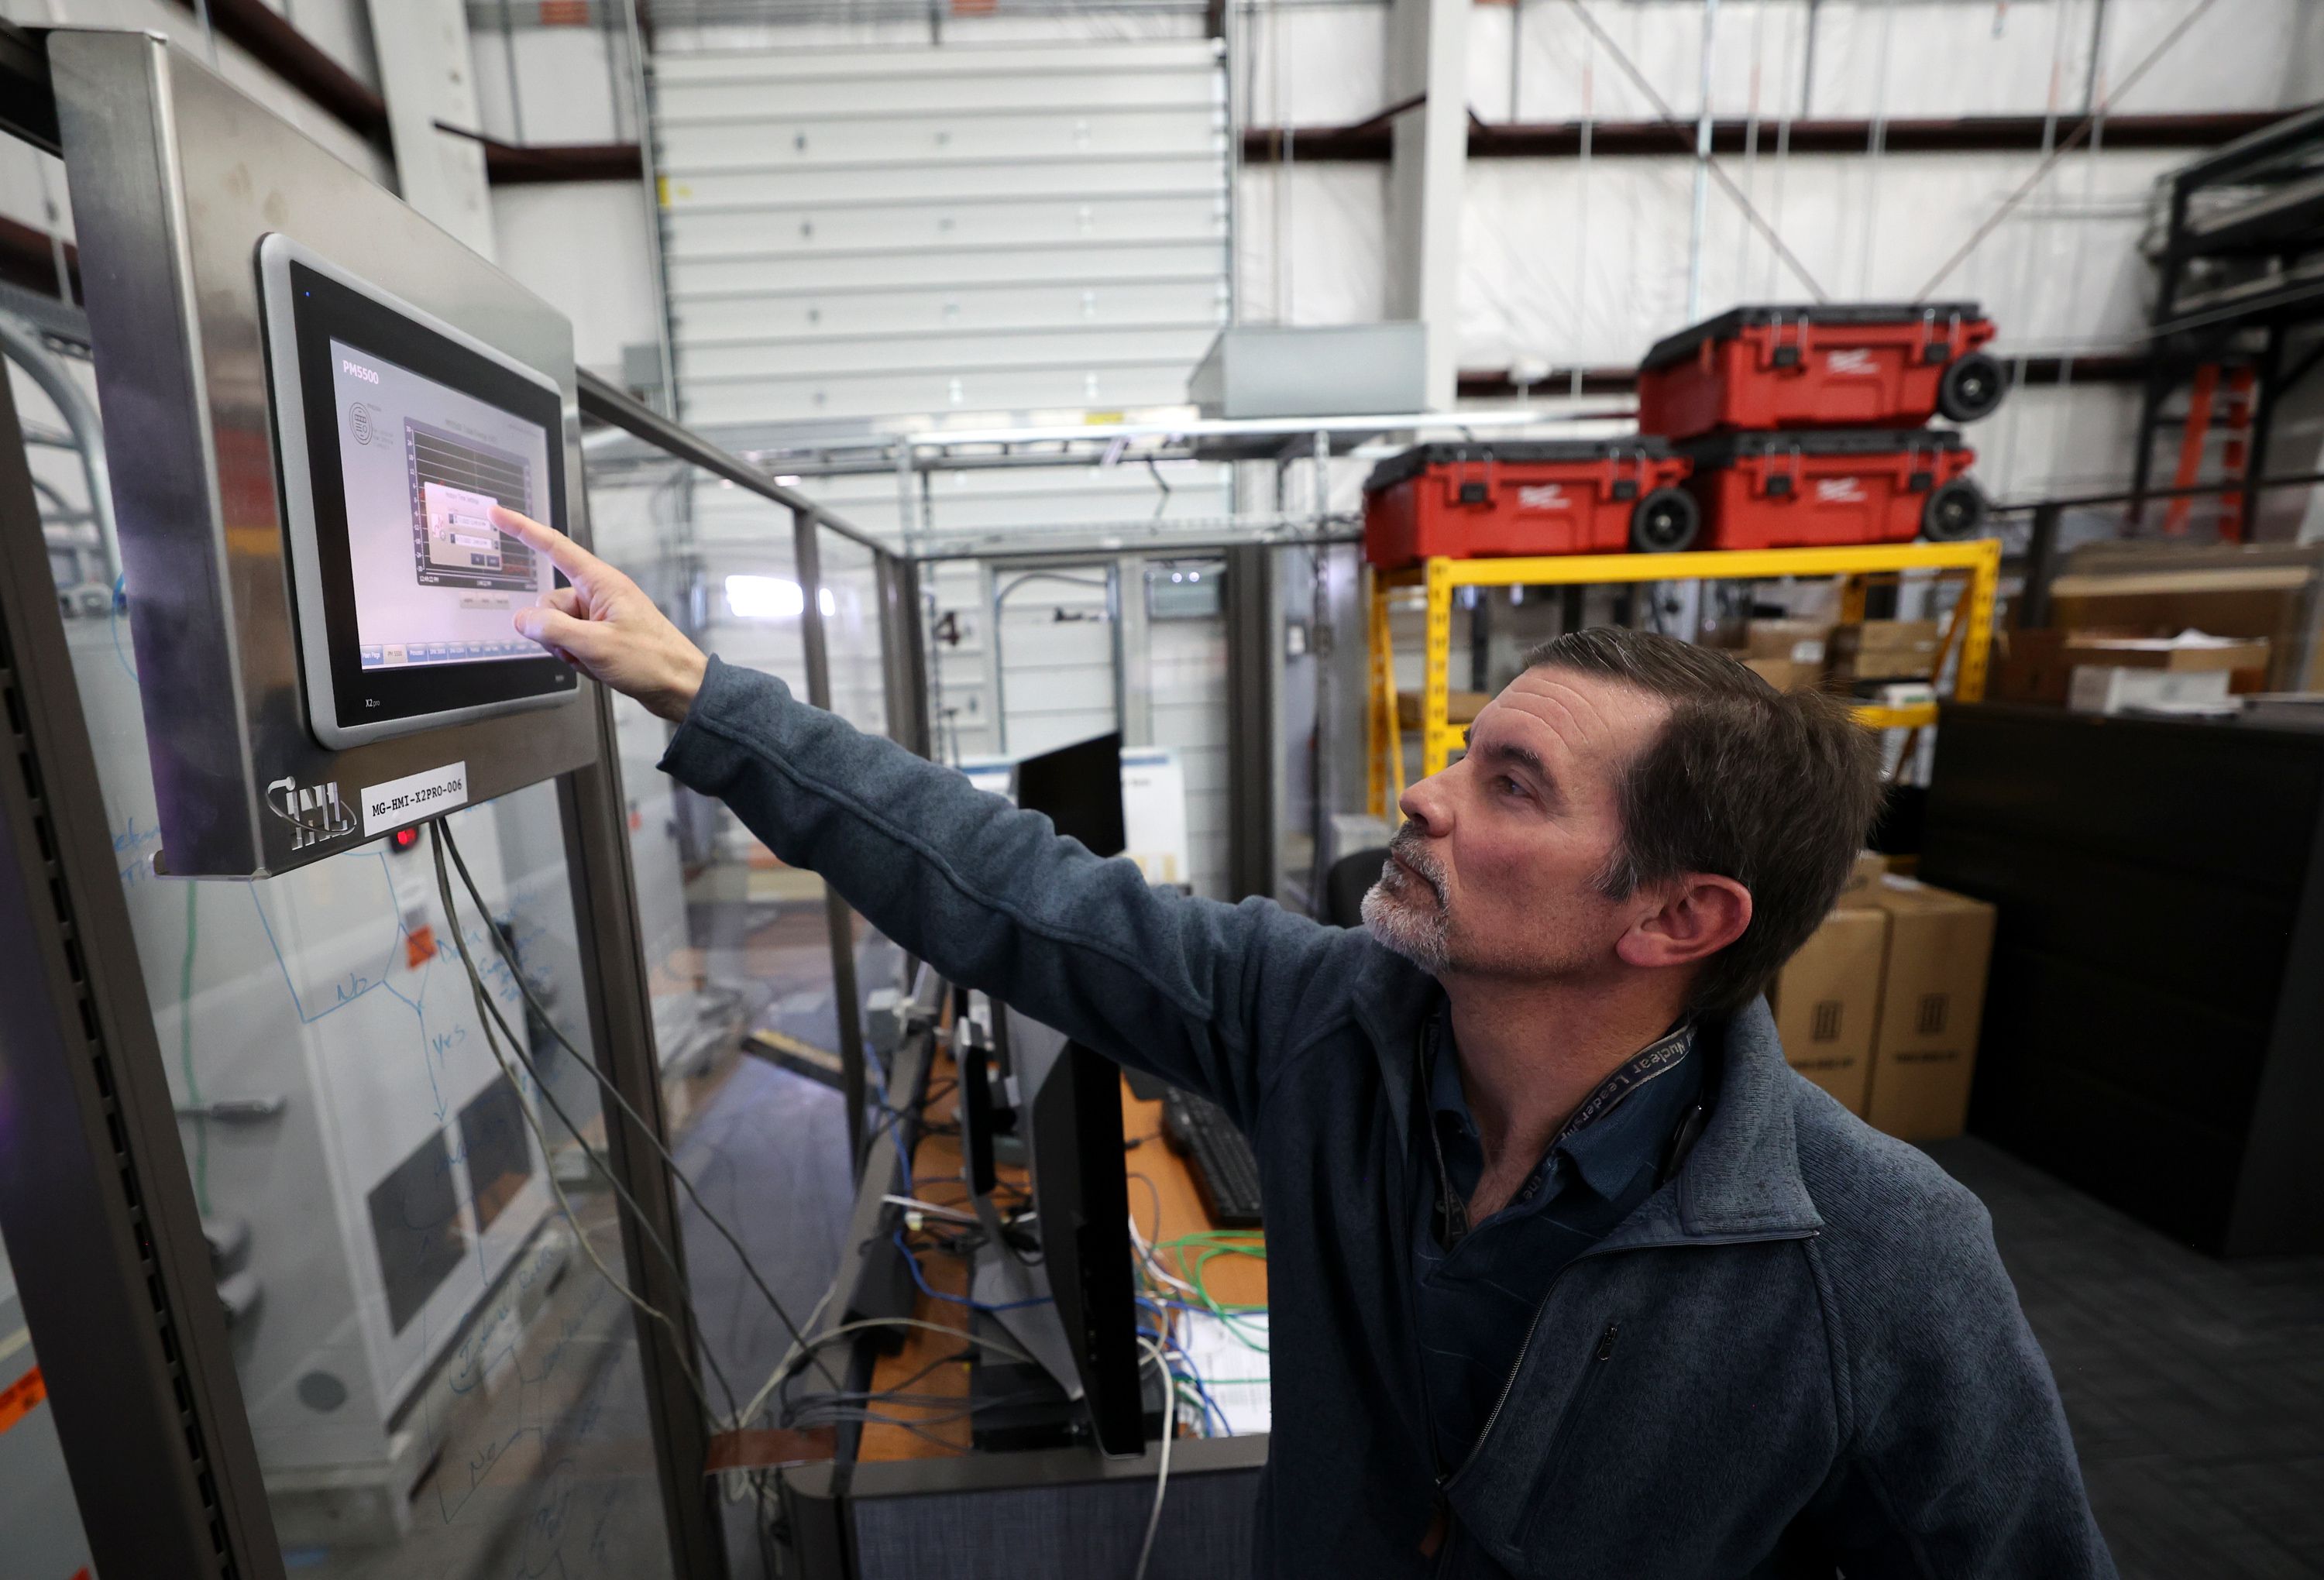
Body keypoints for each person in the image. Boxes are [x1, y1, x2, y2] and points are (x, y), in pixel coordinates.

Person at [490, 503, 2116, 1579]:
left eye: (1512, 788)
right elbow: (1009, 890)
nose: (1423, 795)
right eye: (1466, 753)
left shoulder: (1884, 1261)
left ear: (1677, 920)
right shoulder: (1329, 1021)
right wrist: (699, 692)